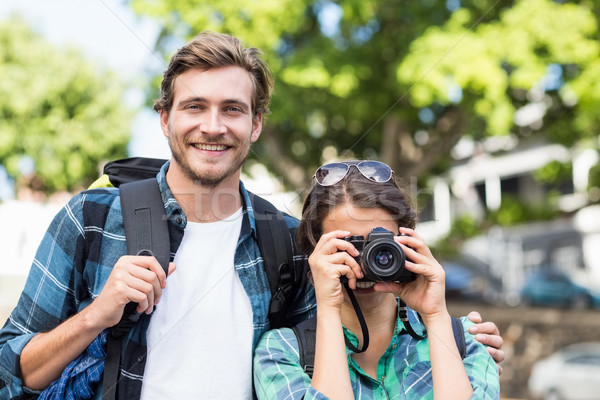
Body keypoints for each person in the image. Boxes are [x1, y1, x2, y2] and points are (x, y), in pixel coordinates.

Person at [0, 32, 503, 400]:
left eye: (233, 109)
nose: (213, 126)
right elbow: (8, 370)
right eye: (194, 106)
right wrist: (94, 316)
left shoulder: (285, 240)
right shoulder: (91, 218)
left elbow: (345, 342)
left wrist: (453, 337)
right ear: (164, 119)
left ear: (256, 124)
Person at [253, 160, 501, 399]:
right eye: (348, 246)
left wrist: (435, 316)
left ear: (408, 239)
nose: (365, 262)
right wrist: (328, 308)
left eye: (381, 246)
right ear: (313, 253)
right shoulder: (281, 353)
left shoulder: (466, 339)